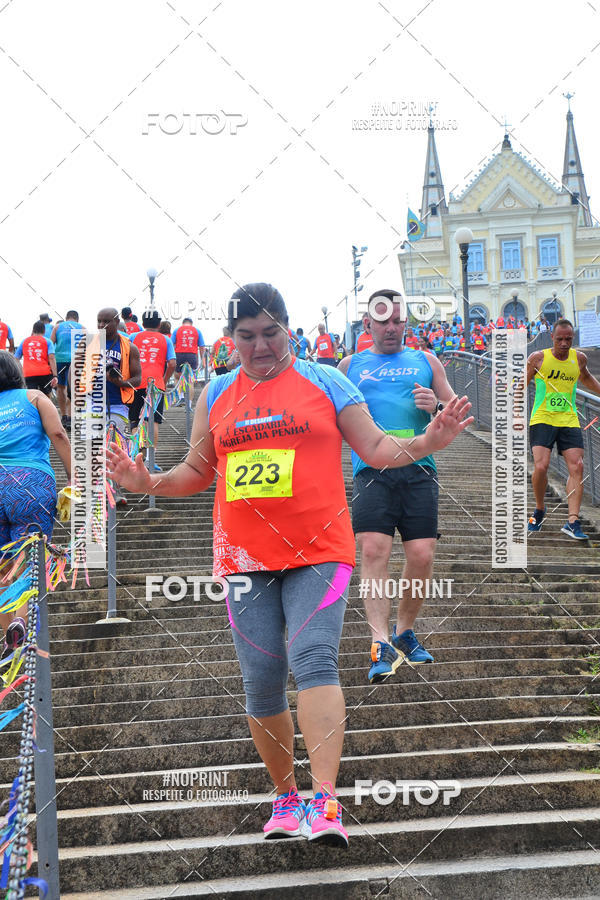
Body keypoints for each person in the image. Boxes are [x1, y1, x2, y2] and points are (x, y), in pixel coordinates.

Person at [106, 282, 472, 848]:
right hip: (243, 556)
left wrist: (426, 441)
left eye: (271, 333)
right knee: (261, 678)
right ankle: (285, 798)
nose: (261, 347)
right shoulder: (217, 392)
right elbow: (198, 472)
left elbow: (376, 449)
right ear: (230, 339)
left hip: (319, 551)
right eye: (247, 336)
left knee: (315, 658)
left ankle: (324, 801)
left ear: (287, 329)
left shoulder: (326, 380)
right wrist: (146, 481)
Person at [339, 289, 458, 682]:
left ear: (406, 322)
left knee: (421, 555)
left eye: (397, 320)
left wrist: (436, 407)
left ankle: (404, 632)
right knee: (374, 550)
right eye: (382, 321)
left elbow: (456, 412)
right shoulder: (350, 365)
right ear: (367, 324)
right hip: (372, 470)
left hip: (420, 467)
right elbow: (330, 416)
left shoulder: (426, 361)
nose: (391, 328)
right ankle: (379, 642)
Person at [0, 351, 71, 658]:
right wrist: (75, 479)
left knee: (3, 567)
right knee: (30, 559)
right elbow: (58, 433)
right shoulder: (35, 397)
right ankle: (21, 621)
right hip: (31, 486)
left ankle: (9, 644)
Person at [526, 318, 600, 539]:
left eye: (568, 339)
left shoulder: (579, 359)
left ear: (573, 337)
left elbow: (586, 378)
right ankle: (540, 509)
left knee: (577, 466)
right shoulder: (538, 358)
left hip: (568, 419)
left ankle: (572, 521)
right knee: (541, 466)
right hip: (542, 417)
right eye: (560, 339)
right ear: (552, 337)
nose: (564, 343)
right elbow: (521, 384)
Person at [131, 310, 176, 470]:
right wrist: (164, 379)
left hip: (135, 382)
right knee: (153, 420)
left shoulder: (133, 337)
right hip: (155, 384)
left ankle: (136, 456)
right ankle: (150, 458)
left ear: (143, 323)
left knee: (135, 419)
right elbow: (172, 363)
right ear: (159, 324)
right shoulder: (166, 339)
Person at [50, 310, 86, 428]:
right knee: (74, 389)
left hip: (60, 360)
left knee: (61, 388)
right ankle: (71, 417)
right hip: (77, 360)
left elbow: (50, 344)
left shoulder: (57, 327)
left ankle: (64, 416)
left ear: (66, 317)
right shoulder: (82, 328)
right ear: (77, 318)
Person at [15, 322, 57, 395]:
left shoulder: (24, 341)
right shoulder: (48, 341)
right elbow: (51, 358)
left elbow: (16, 359)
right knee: (46, 396)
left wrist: (21, 371)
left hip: (28, 373)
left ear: (33, 330)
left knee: (31, 396)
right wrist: (55, 375)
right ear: (44, 331)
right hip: (44, 373)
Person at [172, 317, 205, 385]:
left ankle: (179, 392)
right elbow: (202, 347)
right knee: (190, 380)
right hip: (192, 355)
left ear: (183, 323)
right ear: (191, 324)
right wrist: (203, 361)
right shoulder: (197, 331)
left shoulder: (177, 330)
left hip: (179, 355)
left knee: (177, 377)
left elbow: (171, 345)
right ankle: (190, 392)